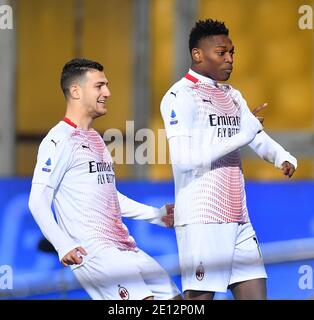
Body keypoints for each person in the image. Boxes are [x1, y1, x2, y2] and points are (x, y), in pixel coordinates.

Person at [160, 19, 297, 300]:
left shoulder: (233, 95)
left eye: (232, 53)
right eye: (221, 53)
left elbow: (253, 135)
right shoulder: (179, 96)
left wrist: (280, 155)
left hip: (239, 218)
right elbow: (185, 160)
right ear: (198, 55)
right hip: (203, 217)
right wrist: (242, 134)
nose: (229, 59)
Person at [28, 58, 181, 300]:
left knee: (177, 301)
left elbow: (108, 196)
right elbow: (37, 201)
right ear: (76, 91)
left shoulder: (96, 140)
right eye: (99, 86)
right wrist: (62, 245)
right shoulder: (57, 141)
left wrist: (156, 215)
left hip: (125, 247)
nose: (107, 93)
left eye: (106, 85)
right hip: (95, 252)